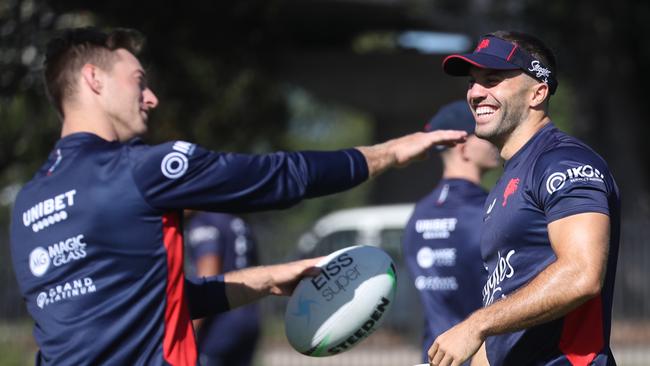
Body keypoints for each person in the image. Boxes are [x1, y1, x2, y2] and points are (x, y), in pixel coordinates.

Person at [8, 27, 468, 365]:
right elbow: (278, 177)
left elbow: (146, 302)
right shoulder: (140, 169)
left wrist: (267, 280)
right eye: (138, 80)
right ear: (94, 78)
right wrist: (389, 153)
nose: (151, 98)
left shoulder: (29, 204)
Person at [427, 31, 620, 366]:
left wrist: (476, 325)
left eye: (492, 80)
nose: (475, 93)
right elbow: (500, 302)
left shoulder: (565, 162)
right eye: (473, 82)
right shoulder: (504, 184)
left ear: (538, 93)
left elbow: (582, 274)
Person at [402, 100, 499, 365]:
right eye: (483, 133)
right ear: (463, 147)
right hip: (482, 357)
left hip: (433, 358)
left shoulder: (418, 215)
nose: (495, 140)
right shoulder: (490, 211)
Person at [185, 212, 260, 366]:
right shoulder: (237, 220)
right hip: (249, 317)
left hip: (219, 323)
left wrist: (187, 330)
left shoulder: (204, 221)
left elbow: (208, 273)